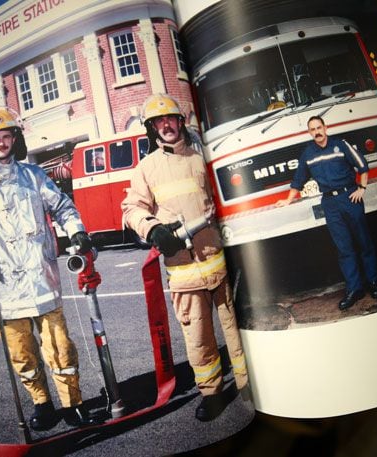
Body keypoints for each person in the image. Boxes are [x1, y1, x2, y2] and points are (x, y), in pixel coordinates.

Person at [0, 107, 95, 431]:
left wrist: (75, 229)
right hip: (4, 287)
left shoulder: (34, 176)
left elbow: (62, 206)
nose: (2, 143)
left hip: (41, 279)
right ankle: (42, 404)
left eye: (7, 137)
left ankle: (72, 404)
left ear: (15, 141)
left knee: (60, 348)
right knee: (22, 355)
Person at [121, 93, 248, 422]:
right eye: (158, 122)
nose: (166, 125)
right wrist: (152, 230)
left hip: (217, 261)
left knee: (235, 326)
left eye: (171, 119)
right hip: (183, 271)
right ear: (152, 129)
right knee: (198, 335)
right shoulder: (146, 168)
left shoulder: (200, 157)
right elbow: (132, 209)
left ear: (180, 122)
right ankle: (211, 392)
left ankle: (248, 382)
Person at [276, 115, 377, 310]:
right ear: (310, 133)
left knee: (364, 242)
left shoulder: (340, 145)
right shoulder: (308, 154)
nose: (317, 131)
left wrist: (362, 188)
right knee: (344, 249)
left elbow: (362, 165)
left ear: (325, 127)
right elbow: (298, 180)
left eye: (319, 127)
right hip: (330, 204)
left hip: (350, 197)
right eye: (313, 129)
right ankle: (355, 289)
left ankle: (374, 283)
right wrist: (288, 200)